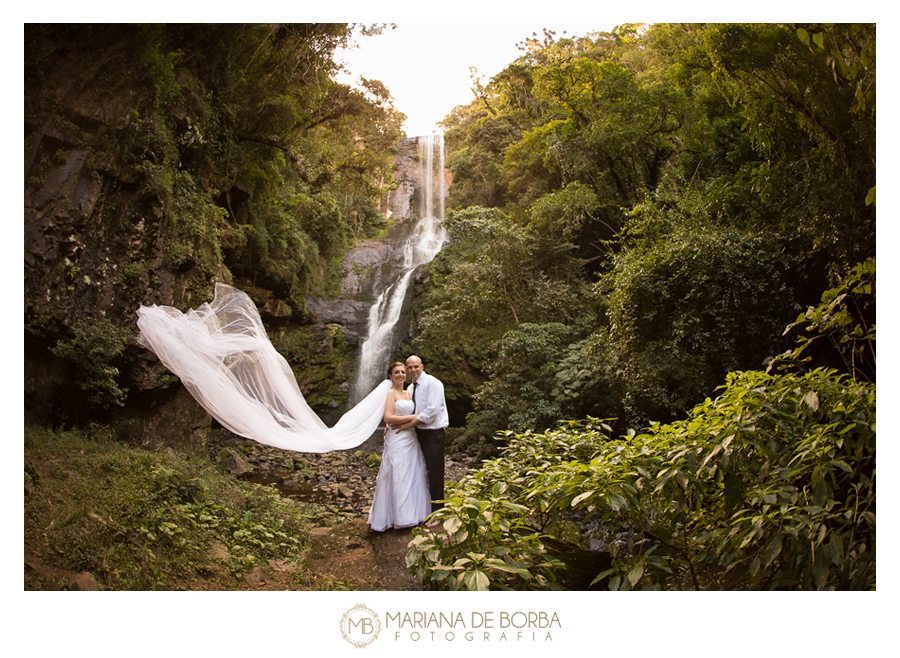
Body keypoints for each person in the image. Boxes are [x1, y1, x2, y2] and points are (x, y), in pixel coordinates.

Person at [366, 362, 432, 532]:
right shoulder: (390, 393)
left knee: (412, 473)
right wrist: (414, 417)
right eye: (397, 372)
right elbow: (388, 417)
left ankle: (412, 514)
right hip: (396, 438)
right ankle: (395, 517)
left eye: (403, 371)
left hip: (410, 437)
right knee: (396, 473)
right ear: (390, 376)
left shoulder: (408, 392)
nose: (401, 374)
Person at [404, 355, 449, 512]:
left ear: (422, 367)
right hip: (417, 434)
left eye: (416, 366)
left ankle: (438, 512)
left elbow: (432, 411)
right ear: (407, 369)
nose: (413, 370)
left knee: (435, 473)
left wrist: (409, 424)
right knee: (419, 470)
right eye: (410, 367)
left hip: (433, 434)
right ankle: (422, 509)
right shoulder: (410, 388)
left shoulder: (433, 383)